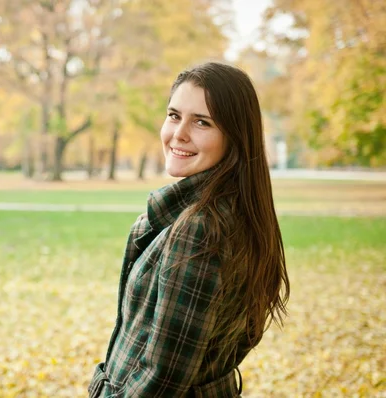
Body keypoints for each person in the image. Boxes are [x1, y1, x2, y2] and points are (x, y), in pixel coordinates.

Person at [88, 62, 290, 397]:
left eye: (202, 122)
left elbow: (162, 380)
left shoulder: (200, 229)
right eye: (173, 115)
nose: (179, 133)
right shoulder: (238, 213)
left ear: (235, 137)